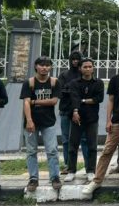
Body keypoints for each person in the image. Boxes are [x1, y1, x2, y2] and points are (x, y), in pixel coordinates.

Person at [83, 53, 119, 194]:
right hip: (117, 120)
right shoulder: (115, 79)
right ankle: (97, 180)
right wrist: (108, 120)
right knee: (107, 151)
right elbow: (111, 100)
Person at [21, 56, 61, 191]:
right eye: (41, 65)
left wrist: (34, 101)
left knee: (52, 150)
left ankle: (55, 177)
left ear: (50, 67)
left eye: (47, 65)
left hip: (48, 122)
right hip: (31, 122)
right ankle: (33, 179)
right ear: (36, 66)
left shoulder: (54, 82)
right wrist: (29, 120)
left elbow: (54, 101)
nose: (44, 68)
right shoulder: (29, 83)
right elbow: (25, 102)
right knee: (31, 151)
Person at [66, 58, 104, 183]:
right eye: (85, 67)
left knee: (92, 146)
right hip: (77, 118)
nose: (88, 69)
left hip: (92, 118)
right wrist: (76, 111)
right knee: (73, 145)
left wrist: (83, 100)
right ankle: (71, 170)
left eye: (90, 66)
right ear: (80, 68)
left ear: (93, 68)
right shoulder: (74, 83)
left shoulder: (98, 83)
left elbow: (98, 98)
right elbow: (74, 98)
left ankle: (91, 170)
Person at [58, 51, 89, 174]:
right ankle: (68, 164)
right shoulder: (64, 75)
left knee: (84, 139)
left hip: (82, 111)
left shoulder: (85, 75)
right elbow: (60, 92)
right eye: (73, 59)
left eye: (78, 59)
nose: (75, 61)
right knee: (66, 139)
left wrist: (71, 90)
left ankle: (89, 166)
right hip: (66, 110)